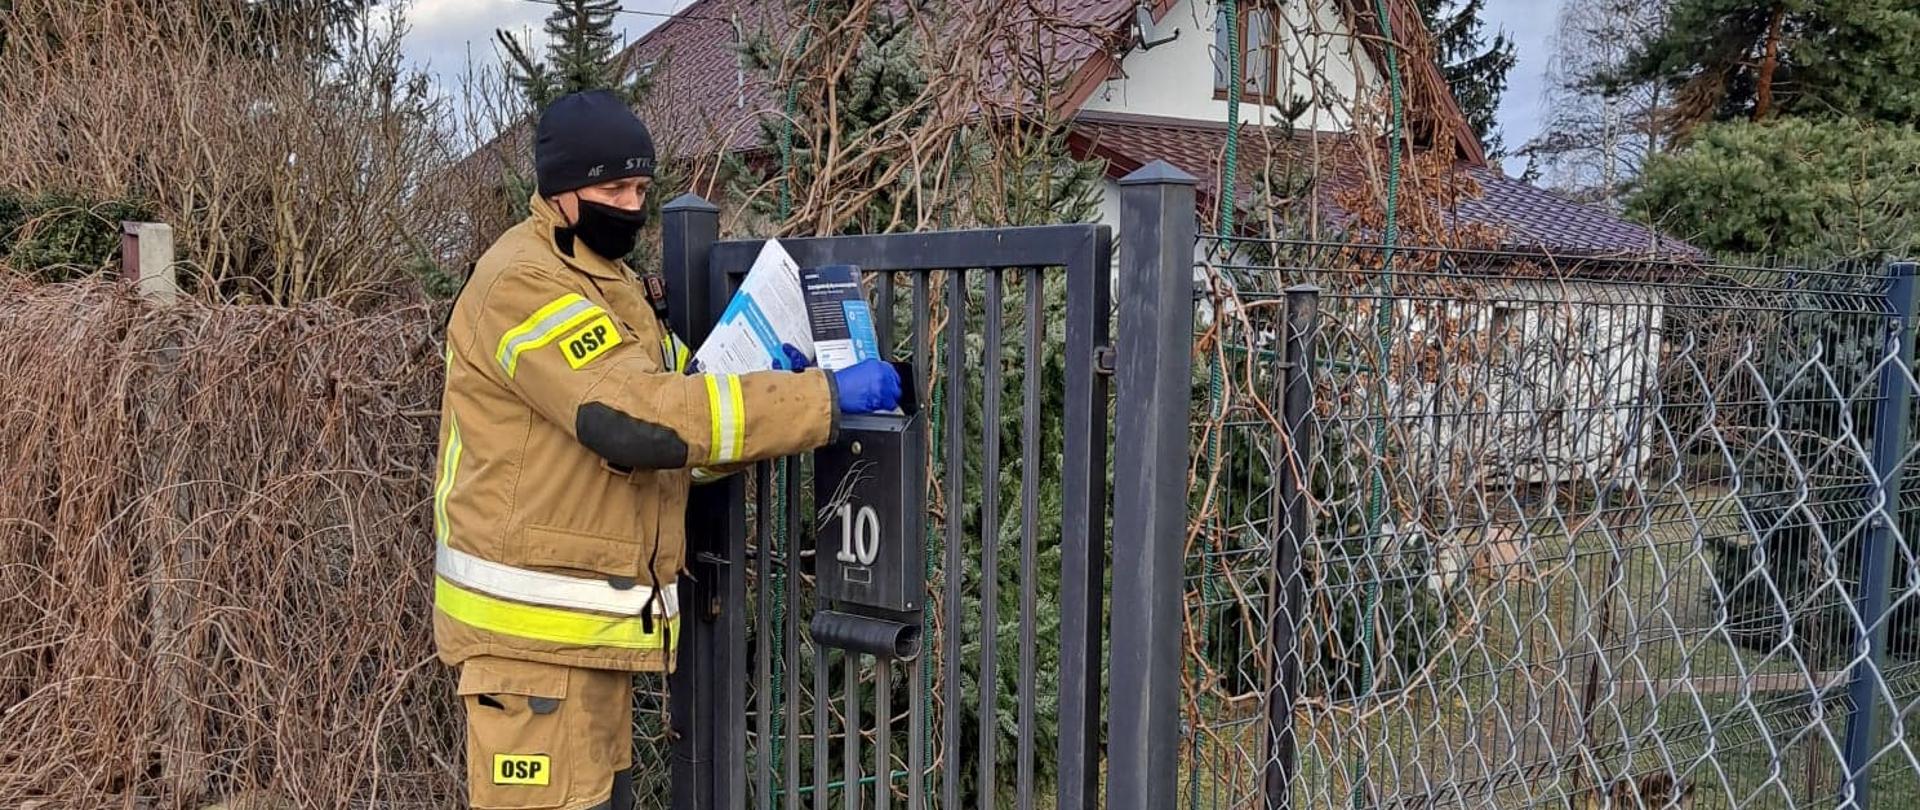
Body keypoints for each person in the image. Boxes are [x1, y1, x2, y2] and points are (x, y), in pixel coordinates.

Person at [430, 89, 901, 810]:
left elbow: (686, 419)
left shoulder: (607, 284)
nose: (630, 204)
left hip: (575, 650)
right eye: (612, 187)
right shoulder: (521, 283)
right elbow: (634, 417)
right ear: (559, 192)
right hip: (526, 654)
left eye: (642, 188)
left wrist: (780, 394)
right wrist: (824, 402)